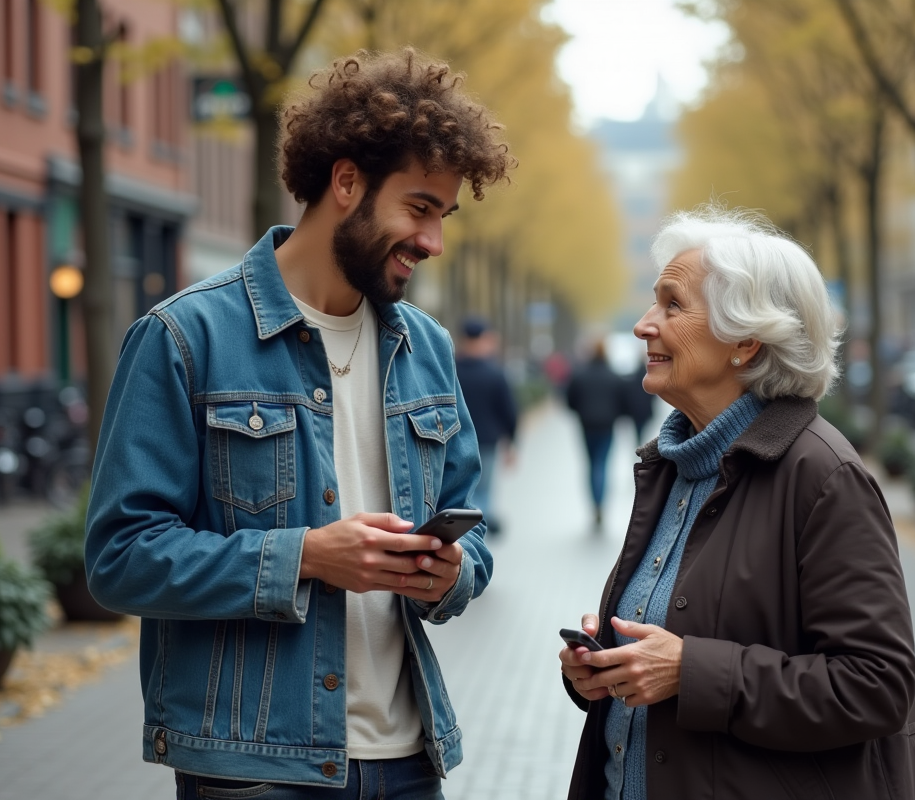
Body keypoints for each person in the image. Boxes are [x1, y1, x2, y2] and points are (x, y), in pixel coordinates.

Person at [85, 49, 513, 799]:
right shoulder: (186, 338)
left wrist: (454, 573)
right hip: (253, 767)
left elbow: (472, 530)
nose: (433, 242)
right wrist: (307, 557)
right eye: (418, 208)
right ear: (346, 183)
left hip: (411, 760)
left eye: (443, 217)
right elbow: (121, 557)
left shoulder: (427, 348)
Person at [558, 205, 915, 800]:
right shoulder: (672, 467)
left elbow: (877, 684)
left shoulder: (822, 475)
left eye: (672, 304)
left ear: (745, 341)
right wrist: (605, 669)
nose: (642, 325)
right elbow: (673, 649)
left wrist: (690, 672)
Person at [454, 316, 517, 535]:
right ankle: (479, 531)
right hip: (488, 441)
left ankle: (469, 530)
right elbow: (508, 411)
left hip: (456, 440)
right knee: (485, 489)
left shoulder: (451, 370)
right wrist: (511, 442)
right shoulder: (495, 373)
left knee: (462, 489)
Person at [565, 339, 625, 529]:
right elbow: (623, 401)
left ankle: (595, 503)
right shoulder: (614, 376)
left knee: (591, 464)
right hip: (607, 425)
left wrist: (582, 411)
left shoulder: (580, 375)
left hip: (587, 425)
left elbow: (570, 400)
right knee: (602, 464)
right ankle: (600, 503)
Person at [622, 362, 655, 444]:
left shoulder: (633, 379)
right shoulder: (649, 381)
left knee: (638, 430)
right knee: (642, 430)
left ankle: (639, 442)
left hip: (635, 411)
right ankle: (640, 442)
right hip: (645, 411)